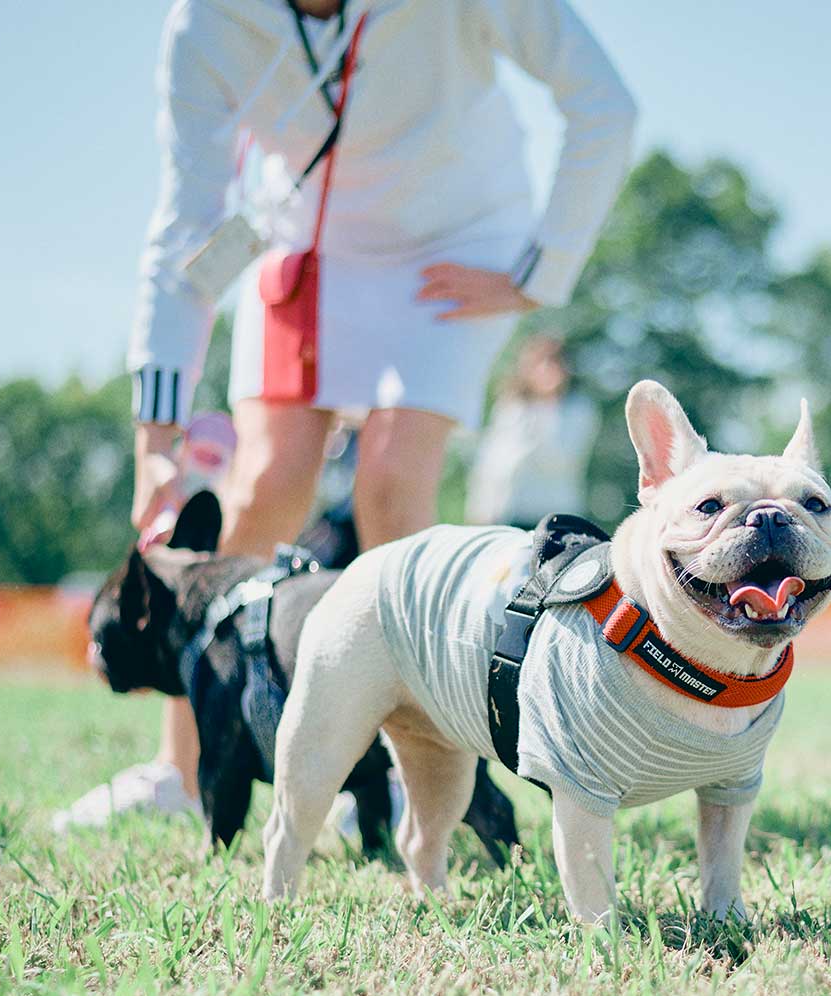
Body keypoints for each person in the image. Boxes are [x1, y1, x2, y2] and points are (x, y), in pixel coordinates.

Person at [69, 0, 636, 822]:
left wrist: (541, 271)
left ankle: (419, 775)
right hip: (303, 246)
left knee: (392, 484)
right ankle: (181, 771)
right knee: (263, 487)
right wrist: (156, 437)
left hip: (452, 249)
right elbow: (185, 224)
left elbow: (604, 104)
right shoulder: (205, 21)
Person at [465, 335, 600, 528]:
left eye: (554, 363)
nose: (547, 370)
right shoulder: (511, 408)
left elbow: (562, 459)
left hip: (557, 512)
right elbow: (491, 462)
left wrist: (548, 413)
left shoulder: (579, 410)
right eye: (541, 363)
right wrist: (481, 507)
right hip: (510, 510)